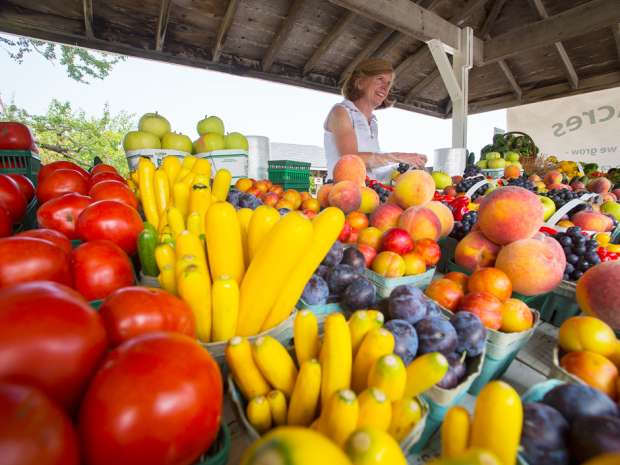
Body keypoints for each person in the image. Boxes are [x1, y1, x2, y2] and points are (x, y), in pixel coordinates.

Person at [324, 58, 427, 181]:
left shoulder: (373, 122)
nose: (385, 87)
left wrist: (405, 168)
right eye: (380, 79)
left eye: (388, 83)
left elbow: (372, 173)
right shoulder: (341, 112)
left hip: (367, 194)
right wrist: (398, 157)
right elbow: (351, 160)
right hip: (341, 193)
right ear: (360, 82)